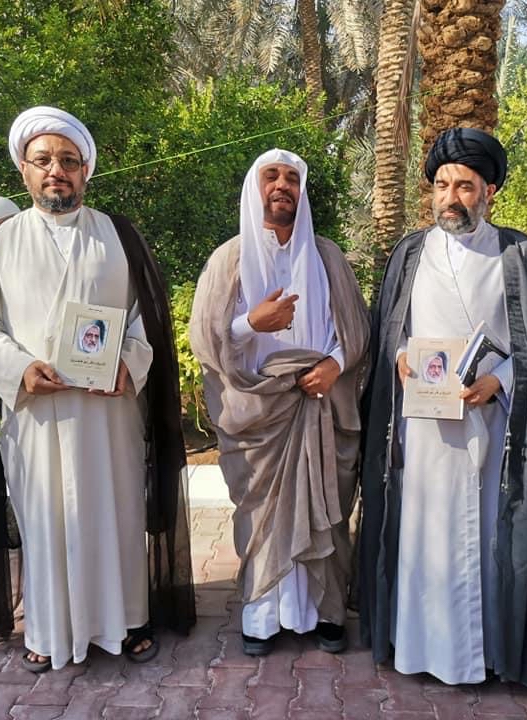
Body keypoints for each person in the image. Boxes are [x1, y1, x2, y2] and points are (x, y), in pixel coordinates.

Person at [0, 105, 195, 673]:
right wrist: (19, 369)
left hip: (109, 415)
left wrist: (128, 364)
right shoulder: (2, 240)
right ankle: (48, 629)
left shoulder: (117, 235)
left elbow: (145, 320)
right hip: (37, 415)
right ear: (24, 170)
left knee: (116, 516)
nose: (56, 170)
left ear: (86, 170)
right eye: (43, 160)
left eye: (68, 160)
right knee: (45, 520)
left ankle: (126, 620)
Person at [358, 128, 527, 688]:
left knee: (485, 535)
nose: (451, 197)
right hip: (425, 426)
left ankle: (483, 655)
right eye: (442, 185)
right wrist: (401, 355)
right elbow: (391, 328)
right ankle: (420, 649)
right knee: (424, 531)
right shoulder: (410, 252)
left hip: (490, 425)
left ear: (489, 191)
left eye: (465, 186)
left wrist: (499, 381)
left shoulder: (518, 254)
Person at [189, 148, 369, 657]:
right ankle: (263, 615)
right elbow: (205, 338)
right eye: (272, 175)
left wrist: (334, 364)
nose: (282, 185)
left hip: (320, 405)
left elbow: (356, 329)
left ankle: (326, 612)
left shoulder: (328, 257)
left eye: (292, 178)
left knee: (325, 510)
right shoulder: (229, 259)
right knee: (263, 517)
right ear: (256, 187)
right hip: (258, 415)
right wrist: (252, 324)